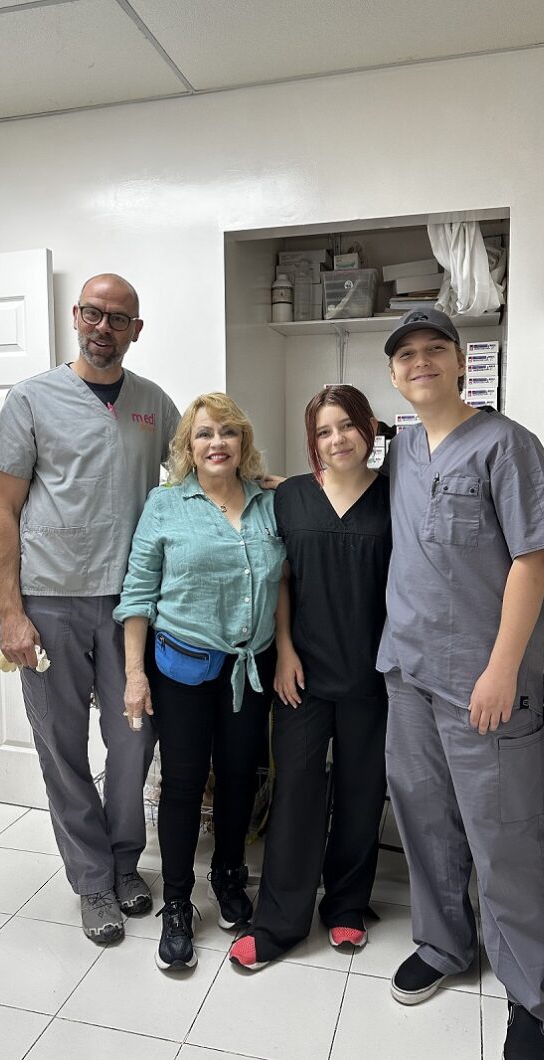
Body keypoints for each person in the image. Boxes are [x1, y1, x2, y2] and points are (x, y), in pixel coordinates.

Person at [377, 307, 544, 1060]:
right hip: (408, 673)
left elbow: (533, 560)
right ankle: (443, 945)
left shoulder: (506, 445)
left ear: (460, 363)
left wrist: (498, 668)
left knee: (505, 841)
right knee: (425, 826)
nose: (419, 362)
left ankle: (534, 999)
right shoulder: (403, 452)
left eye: (434, 350)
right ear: (393, 374)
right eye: (405, 355)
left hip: (484, 685)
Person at [0, 274, 180, 945]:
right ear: (75, 316)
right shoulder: (32, 398)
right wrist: (11, 612)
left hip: (128, 608)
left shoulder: (153, 405)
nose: (103, 326)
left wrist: (281, 487)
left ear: (135, 331)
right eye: (93, 313)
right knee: (61, 748)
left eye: (118, 318)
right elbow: (3, 509)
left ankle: (126, 862)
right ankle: (92, 881)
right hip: (48, 602)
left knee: (132, 741)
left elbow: (203, 474)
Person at [114, 393, 284, 971]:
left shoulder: (266, 502)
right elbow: (137, 596)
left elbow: (284, 575)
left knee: (240, 777)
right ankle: (181, 902)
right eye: (205, 433)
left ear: (243, 443)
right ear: (188, 445)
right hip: (182, 668)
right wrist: (135, 676)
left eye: (229, 433)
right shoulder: (165, 505)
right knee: (184, 783)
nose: (218, 443)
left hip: (250, 664)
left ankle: (230, 876)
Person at [229, 385, 391, 970]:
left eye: (345, 425)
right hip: (303, 671)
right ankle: (278, 922)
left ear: (368, 428)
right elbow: (281, 581)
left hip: (375, 672)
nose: (336, 439)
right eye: (323, 431)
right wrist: (288, 649)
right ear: (311, 441)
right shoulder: (291, 498)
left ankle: (346, 904)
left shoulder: (398, 496)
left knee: (361, 791)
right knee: (296, 790)